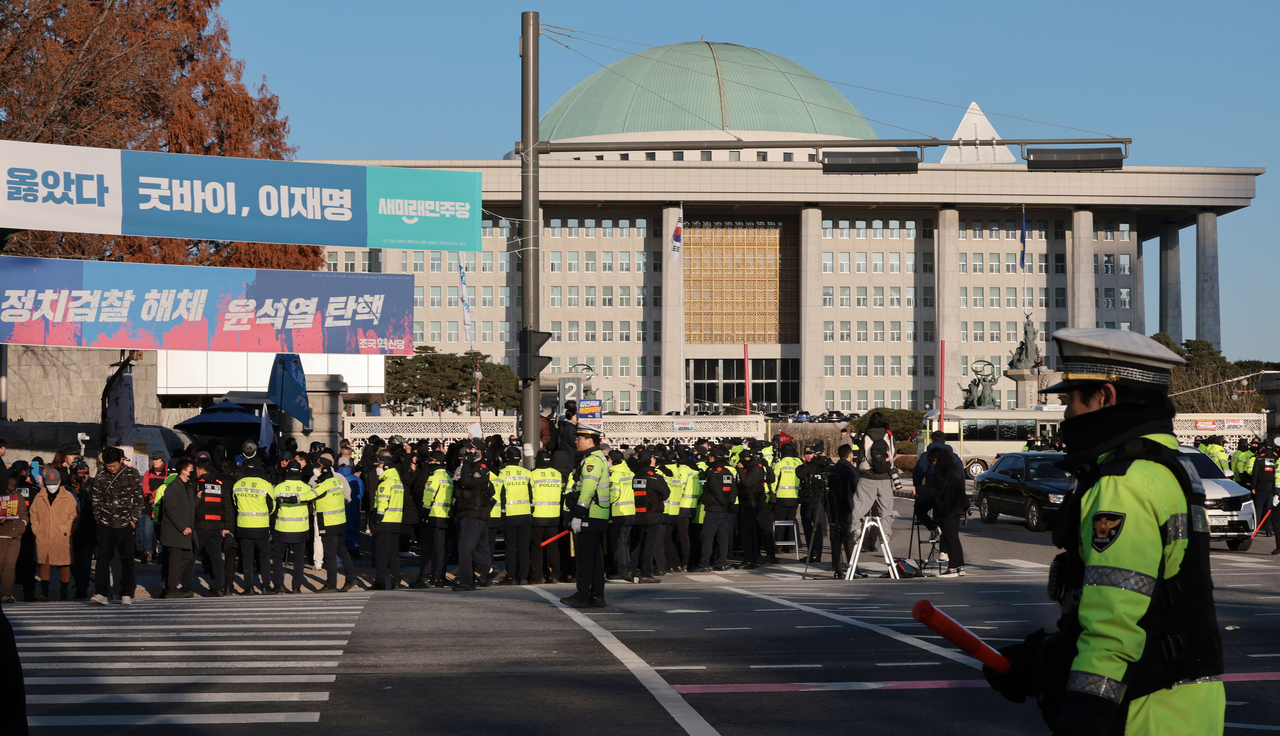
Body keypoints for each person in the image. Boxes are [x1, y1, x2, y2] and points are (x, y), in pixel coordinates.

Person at [983, 327, 1224, 735]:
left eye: (1070, 400)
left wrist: (1081, 717)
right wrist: (1047, 658)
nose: (1065, 415)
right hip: (1181, 707)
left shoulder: (1122, 484)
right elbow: (1154, 600)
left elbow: (1113, 626)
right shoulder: (1169, 468)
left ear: (1106, 398)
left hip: (1142, 713)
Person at [560, 425, 611, 609]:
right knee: (595, 558)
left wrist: (579, 514)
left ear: (590, 441)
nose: (576, 440)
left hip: (590, 514)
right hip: (597, 514)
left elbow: (588, 489)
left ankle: (582, 595)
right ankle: (596, 596)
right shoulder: (594, 459)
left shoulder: (592, 460)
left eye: (579, 438)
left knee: (585, 558)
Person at [90, 446, 144, 605]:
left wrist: (134, 519)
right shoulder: (101, 474)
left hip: (126, 523)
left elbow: (138, 498)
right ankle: (101, 592)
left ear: (121, 460)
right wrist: (98, 517)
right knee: (102, 558)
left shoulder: (132, 474)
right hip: (105, 522)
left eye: (114, 465)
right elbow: (96, 497)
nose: (112, 469)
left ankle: (127, 592)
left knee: (127, 559)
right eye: (109, 466)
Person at [270, 461, 322, 594]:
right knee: (299, 559)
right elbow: (312, 508)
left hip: (282, 528)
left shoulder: (278, 488)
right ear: (300, 472)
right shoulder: (306, 488)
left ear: (286, 471)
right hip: (301, 529)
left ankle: (278, 585)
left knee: (277, 557)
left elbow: (272, 509)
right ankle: (296, 587)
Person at [453, 440, 496, 592]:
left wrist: (466, 464)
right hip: (470, 511)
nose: (468, 452)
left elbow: (466, 482)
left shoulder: (481, 468)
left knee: (464, 547)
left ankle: (467, 581)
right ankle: (486, 571)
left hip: (475, 512)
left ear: (480, 452)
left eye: (472, 450)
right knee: (474, 547)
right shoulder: (469, 465)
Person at [28, 469, 77, 601]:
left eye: (53, 484)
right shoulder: (39, 496)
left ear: (59, 481)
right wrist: (36, 529)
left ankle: (64, 592)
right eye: (48, 484)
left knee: (64, 564)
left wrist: (67, 530)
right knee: (44, 563)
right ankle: (44, 592)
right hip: (44, 535)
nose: (51, 487)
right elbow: (33, 513)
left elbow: (74, 515)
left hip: (62, 536)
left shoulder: (68, 497)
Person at [851, 412, 897, 550]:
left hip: (867, 476)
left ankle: (857, 530)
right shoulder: (889, 434)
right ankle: (885, 533)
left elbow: (860, 455)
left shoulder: (865, 435)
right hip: (885, 475)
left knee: (860, 504)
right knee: (886, 507)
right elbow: (893, 453)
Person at [231, 456, 275, 595]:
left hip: (243, 527)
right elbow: (272, 507)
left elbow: (235, 504)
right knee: (264, 556)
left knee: (247, 557)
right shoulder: (265, 484)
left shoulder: (238, 484)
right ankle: (266, 586)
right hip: (261, 527)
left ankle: (248, 587)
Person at [313, 456, 357, 592]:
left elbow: (309, 495)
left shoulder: (325, 482)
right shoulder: (337, 479)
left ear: (324, 468)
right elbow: (347, 497)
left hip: (328, 521)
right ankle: (350, 578)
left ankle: (331, 584)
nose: (316, 469)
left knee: (330, 554)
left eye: (318, 467)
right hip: (339, 520)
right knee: (342, 550)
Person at [191, 460, 232, 596]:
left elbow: (191, 506)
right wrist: (226, 527)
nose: (195, 471)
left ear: (202, 470)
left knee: (191, 557)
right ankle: (217, 587)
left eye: (196, 469)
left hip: (200, 527)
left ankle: (188, 586)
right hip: (216, 528)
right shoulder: (221, 486)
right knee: (216, 559)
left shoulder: (197, 485)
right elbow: (227, 509)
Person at [158, 459, 197, 598]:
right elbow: (171, 510)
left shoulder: (188, 486)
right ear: (183, 471)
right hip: (175, 531)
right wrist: (183, 527)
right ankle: (172, 588)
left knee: (188, 556)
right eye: (191, 469)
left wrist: (197, 497)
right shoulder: (174, 487)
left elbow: (189, 507)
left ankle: (169, 582)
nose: (193, 471)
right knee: (175, 560)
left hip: (184, 530)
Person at [695, 447, 738, 572]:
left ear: (714, 458)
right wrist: (729, 503)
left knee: (707, 536)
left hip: (714, 508)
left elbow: (715, 490)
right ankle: (722, 563)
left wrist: (723, 503)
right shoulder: (727, 472)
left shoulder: (713, 472)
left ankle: (704, 564)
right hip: (726, 509)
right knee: (723, 536)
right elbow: (734, 489)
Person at [629, 448, 668, 583]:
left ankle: (631, 570)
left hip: (639, 514)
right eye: (652, 458)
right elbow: (666, 493)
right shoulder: (655, 477)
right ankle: (645, 573)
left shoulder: (636, 476)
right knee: (650, 544)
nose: (654, 460)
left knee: (641, 543)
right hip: (653, 515)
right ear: (647, 460)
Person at [495, 446, 533, 585]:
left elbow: (499, 495)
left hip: (509, 515)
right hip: (525, 514)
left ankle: (511, 577)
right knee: (524, 547)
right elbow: (531, 494)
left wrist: (501, 514)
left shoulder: (502, 473)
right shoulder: (527, 473)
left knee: (510, 546)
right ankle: (523, 576)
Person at [929, 447, 968, 578]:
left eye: (933, 462)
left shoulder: (943, 469)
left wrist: (919, 490)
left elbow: (936, 487)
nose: (933, 464)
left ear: (936, 459)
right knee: (954, 538)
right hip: (958, 505)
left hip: (948, 506)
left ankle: (952, 568)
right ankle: (960, 566)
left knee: (950, 538)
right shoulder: (955, 465)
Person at [418, 452, 453, 588]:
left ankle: (430, 577)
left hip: (433, 515)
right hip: (445, 516)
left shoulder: (435, 477)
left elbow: (429, 495)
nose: (429, 464)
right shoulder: (448, 476)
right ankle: (440, 577)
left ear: (436, 463)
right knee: (441, 549)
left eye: (431, 461)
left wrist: (424, 513)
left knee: (430, 548)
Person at [795, 440, 832, 564]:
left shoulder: (821, 466)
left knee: (818, 528)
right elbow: (800, 474)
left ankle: (817, 554)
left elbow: (828, 471)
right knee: (807, 529)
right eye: (806, 453)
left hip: (817, 501)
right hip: (805, 501)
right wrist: (811, 463)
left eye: (810, 454)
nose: (808, 456)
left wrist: (819, 462)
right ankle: (811, 553)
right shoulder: (803, 466)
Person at [528, 450, 562, 584]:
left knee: (537, 547)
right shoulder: (557, 475)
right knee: (553, 547)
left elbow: (531, 494)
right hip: (554, 515)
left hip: (538, 515)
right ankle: (555, 575)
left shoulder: (533, 475)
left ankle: (538, 576)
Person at [827, 444, 859, 577]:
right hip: (847, 506)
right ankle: (853, 566)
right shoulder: (850, 469)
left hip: (833, 506)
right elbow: (858, 487)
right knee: (849, 538)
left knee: (835, 537)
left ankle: (837, 567)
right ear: (850, 454)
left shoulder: (833, 469)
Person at [0, 470, 30, 603]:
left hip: (16, 536)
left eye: (15, 480)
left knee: (10, 565)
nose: (13, 482)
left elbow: (25, 513)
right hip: (1, 535)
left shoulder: (18, 496)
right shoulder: (0, 495)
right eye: (10, 479)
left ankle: (6, 593)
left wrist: (23, 524)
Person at [606, 449, 635, 582]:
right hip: (630, 512)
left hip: (617, 513)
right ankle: (628, 567)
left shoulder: (614, 476)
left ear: (612, 460)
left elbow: (613, 495)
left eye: (608, 459)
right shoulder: (630, 473)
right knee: (625, 543)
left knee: (618, 543)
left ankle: (621, 570)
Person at [736, 446, 767, 569]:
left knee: (747, 531)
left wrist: (740, 471)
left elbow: (747, 482)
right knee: (750, 531)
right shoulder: (752, 467)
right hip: (749, 500)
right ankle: (751, 558)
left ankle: (750, 560)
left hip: (752, 502)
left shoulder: (756, 468)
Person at [1247, 438, 1280, 553]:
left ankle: (1255, 528)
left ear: (1264, 447)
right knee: (1269, 508)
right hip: (1273, 487)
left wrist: (1253, 487)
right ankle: (1269, 530)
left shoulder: (1259, 458)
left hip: (1261, 487)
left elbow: (1255, 473)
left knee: (1259, 507)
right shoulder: (1276, 458)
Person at [139, 452, 167, 563]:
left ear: (163, 460)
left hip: (162, 506)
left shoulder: (167, 473)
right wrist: (151, 500)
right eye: (153, 459)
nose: (154, 461)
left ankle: (160, 552)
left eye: (157, 459)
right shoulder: (148, 473)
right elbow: (145, 488)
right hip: (149, 506)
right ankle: (148, 553)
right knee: (147, 532)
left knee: (161, 531)